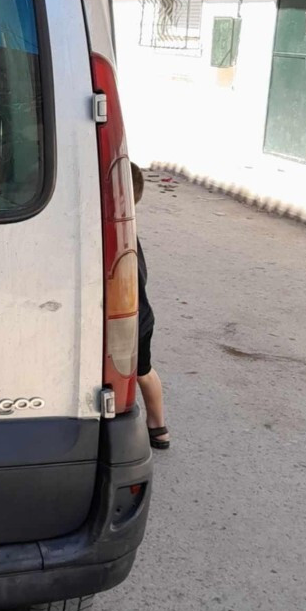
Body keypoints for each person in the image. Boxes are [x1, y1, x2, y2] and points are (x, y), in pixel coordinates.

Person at [131, 163, 169, 449]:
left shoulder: (116, 235)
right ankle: (159, 428)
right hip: (141, 317)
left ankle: (155, 425)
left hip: (132, 319)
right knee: (144, 371)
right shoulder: (128, 229)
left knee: (139, 370)